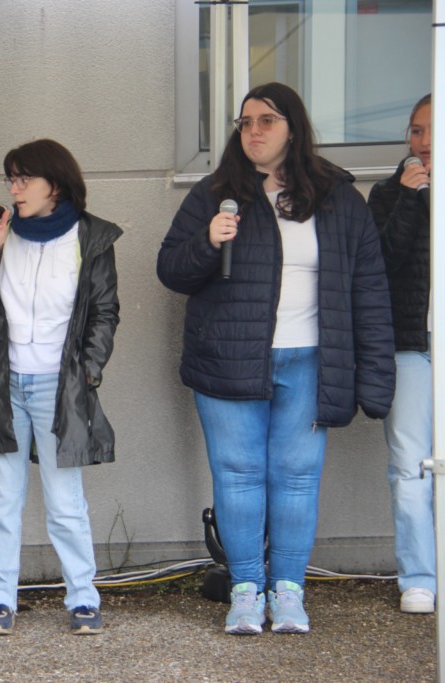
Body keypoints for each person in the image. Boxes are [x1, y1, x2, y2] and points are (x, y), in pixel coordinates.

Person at [157, 82, 395, 635]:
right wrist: (208, 241)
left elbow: (369, 290)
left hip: (311, 361)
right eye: (245, 122)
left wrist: (375, 377)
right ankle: (246, 590)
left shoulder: (338, 197)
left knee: (297, 478)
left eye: (267, 120)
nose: (254, 131)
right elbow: (171, 270)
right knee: (238, 476)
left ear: (293, 128)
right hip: (229, 359)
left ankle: (288, 591)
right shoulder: (215, 194)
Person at [0, 139, 122, 636]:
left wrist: (88, 372)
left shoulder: (91, 237)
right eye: (11, 179)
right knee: (2, 501)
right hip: (5, 385)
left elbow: (104, 312)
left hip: (60, 387)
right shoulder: (5, 234)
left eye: (24, 179)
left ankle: (83, 598)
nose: (14, 189)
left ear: (55, 184)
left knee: (65, 502)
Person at [368, 93, 435, 614]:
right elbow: (381, 265)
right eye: (416, 130)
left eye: (434, 130)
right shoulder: (388, 193)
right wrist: (412, 199)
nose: (424, 141)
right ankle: (419, 577)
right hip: (411, 345)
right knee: (410, 465)